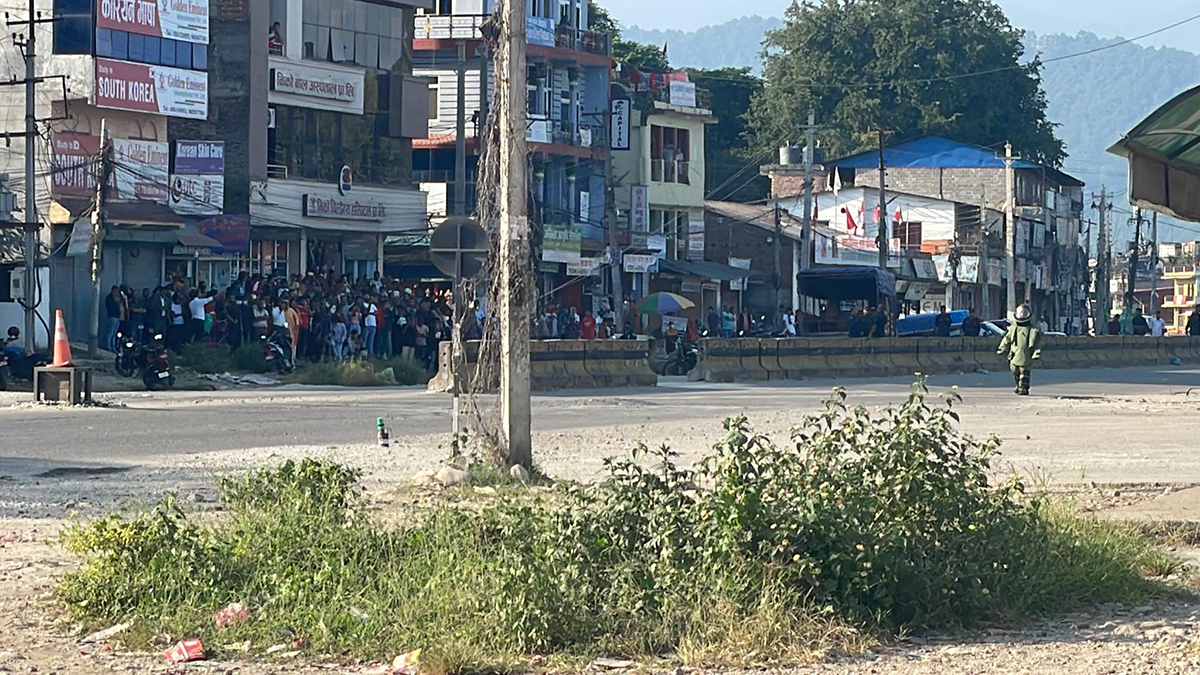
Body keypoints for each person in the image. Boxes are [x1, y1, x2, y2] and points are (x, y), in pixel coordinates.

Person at [998, 303, 1042, 396]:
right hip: (1014, 353)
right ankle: (1018, 386)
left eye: (1024, 313)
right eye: (1021, 313)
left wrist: (1036, 353)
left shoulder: (1033, 329)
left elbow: (1036, 343)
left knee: (1024, 372)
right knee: (1015, 371)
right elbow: (1007, 339)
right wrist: (1002, 348)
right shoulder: (1014, 327)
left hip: (1026, 353)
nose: (1022, 315)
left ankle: (1024, 388)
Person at [104, 286, 124, 352]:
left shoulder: (118, 298)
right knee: (110, 333)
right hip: (112, 317)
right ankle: (108, 346)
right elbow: (110, 307)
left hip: (117, 317)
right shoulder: (109, 298)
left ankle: (113, 346)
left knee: (114, 333)